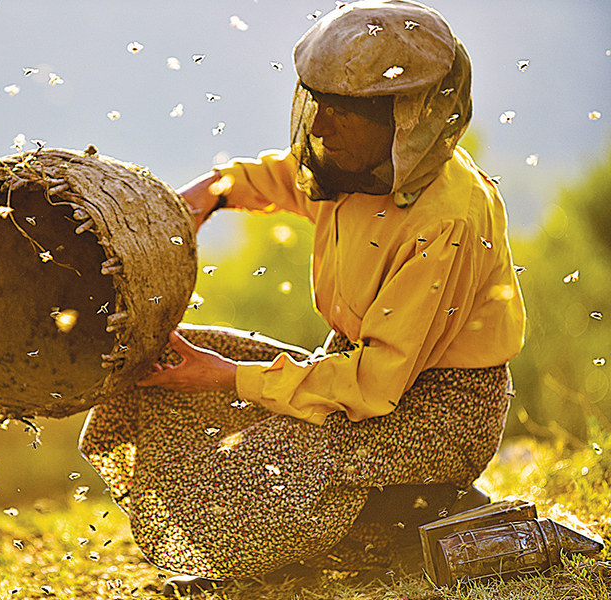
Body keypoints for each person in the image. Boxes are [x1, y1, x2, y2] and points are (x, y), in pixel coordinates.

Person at [79, 0, 526, 594]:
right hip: (356, 375)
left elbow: (372, 385)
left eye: (342, 113)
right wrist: (206, 196)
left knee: (263, 463)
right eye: (319, 104)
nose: (319, 127)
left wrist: (226, 379)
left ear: (407, 114)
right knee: (173, 358)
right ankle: (364, 515)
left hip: (438, 413)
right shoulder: (356, 164)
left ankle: (411, 509)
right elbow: (280, 177)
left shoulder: (445, 220)